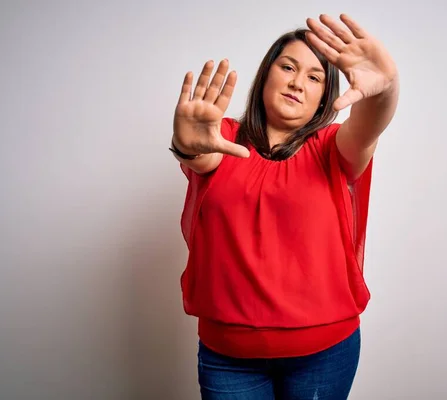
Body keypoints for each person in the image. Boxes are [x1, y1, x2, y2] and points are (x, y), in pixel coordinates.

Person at [170, 13, 399, 400]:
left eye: (314, 77)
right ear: (266, 75)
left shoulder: (332, 147)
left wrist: (385, 89)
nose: (297, 82)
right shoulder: (223, 138)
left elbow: (369, 124)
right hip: (229, 357)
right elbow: (200, 154)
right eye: (288, 67)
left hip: (325, 354)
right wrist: (187, 143)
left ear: (325, 97)